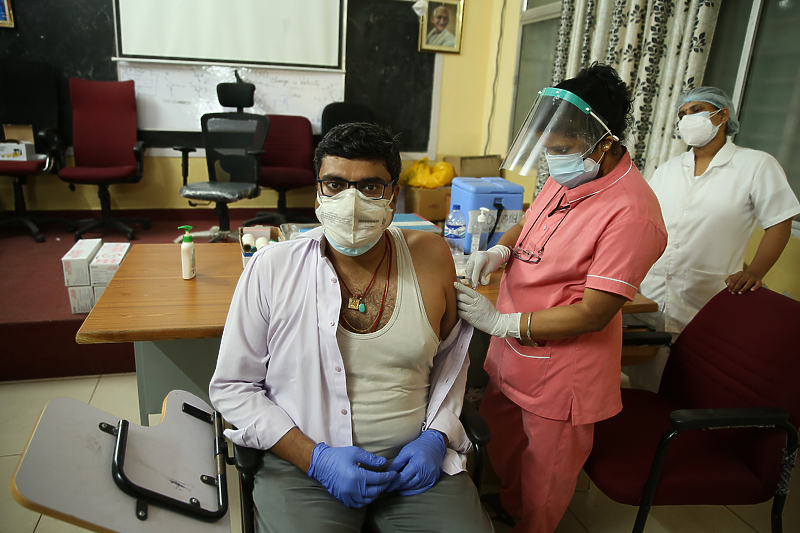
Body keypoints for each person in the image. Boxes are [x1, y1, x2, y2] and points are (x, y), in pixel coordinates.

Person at [209, 122, 493, 533]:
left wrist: (437, 436)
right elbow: (232, 386)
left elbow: (451, 364)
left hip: (413, 462)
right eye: (335, 184)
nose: (352, 202)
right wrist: (315, 458)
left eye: (370, 186)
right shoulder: (271, 268)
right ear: (318, 190)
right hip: (304, 465)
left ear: (393, 193)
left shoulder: (429, 256)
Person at [452, 63, 667, 533]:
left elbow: (593, 313)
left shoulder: (632, 213)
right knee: (506, 445)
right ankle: (508, 507)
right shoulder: (568, 175)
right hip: (513, 356)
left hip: (561, 372)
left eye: (563, 150)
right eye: (548, 149)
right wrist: (500, 250)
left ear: (603, 143)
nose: (553, 161)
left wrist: (504, 324)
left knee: (544, 475)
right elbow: (531, 222)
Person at [625, 86, 800, 392]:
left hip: (708, 296)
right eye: (683, 114)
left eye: (697, 110)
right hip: (653, 291)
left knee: (694, 384)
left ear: (722, 115)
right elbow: (645, 223)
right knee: (646, 380)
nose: (688, 118)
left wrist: (755, 272)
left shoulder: (756, 165)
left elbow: (779, 222)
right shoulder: (667, 169)